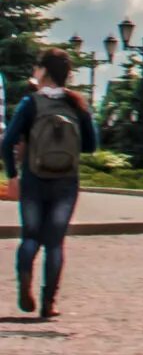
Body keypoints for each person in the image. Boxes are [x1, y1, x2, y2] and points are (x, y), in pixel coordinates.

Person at [3, 48, 100, 319]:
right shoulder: (77, 104)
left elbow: (7, 141)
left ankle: (24, 281)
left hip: (34, 179)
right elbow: (91, 145)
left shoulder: (30, 103)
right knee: (55, 243)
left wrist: (13, 175)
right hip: (66, 183)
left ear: (44, 71)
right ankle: (49, 303)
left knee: (30, 237)